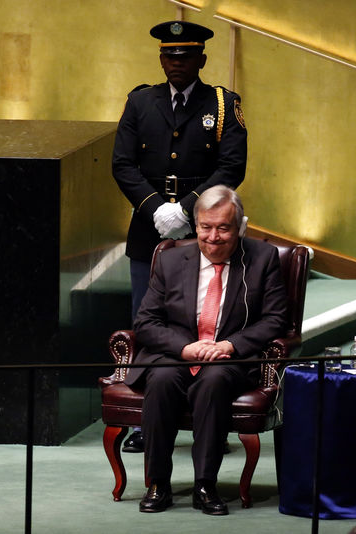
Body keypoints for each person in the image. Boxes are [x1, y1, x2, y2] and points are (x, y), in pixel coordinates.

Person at [112, 19, 248, 454]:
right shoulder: (139, 102)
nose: (177, 63)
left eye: (185, 55)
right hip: (149, 228)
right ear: (160, 58)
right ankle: (142, 420)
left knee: (206, 318)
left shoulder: (223, 104)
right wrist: (156, 209)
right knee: (148, 322)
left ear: (201, 60)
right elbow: (123, 164)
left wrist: (187, 207)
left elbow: (232, 166)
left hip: (206, 229)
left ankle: (209, 416)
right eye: (170, 56)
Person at [125, 185, 287, 515]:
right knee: (161, 379)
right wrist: (185, 349)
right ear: (195, 225)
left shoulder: (262, 259)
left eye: (223, 228)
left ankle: (205, 484)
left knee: (213, 382)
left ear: (240, 227)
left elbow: (276, 319)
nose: (213, 237)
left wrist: (232, 344)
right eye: (205, 227)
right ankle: (158, 483)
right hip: (177, 354)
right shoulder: (170, 259)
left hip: (229, 358)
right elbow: (146, 322)